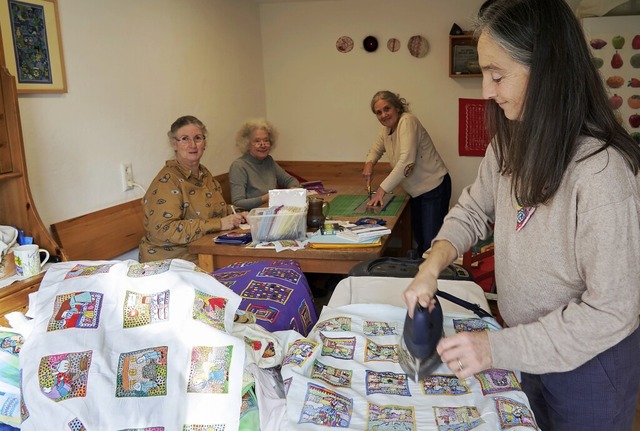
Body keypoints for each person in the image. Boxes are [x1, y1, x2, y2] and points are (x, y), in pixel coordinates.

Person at [402, 1, 640, 429]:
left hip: (589, 365)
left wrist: (495, 349)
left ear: (549, 72)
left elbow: (612, 311)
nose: (486, 92)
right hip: (524, 347)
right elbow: (474, 208)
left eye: (497, 75)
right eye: (483, 75)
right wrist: (432, 264)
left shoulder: (602, 170)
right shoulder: (509, 145)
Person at [139, 115, 246, 263]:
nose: (192, 145)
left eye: (197, 138)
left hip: (204, 251)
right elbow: (164, 230)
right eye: (184, 139)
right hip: (172, 261)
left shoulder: (203, 173)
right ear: (174, 144)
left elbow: (211, 209)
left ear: (204, 143)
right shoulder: (168, 181)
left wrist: (239, 213)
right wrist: (219, 223)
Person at [362, 91, 451, 256]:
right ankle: (421, 274)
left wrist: (382, 190)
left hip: (433, 187)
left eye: (386, 109)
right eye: (378, 112)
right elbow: (376, 149)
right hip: (417, 192)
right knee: (422, 241)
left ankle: (434, 278)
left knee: (430, 245)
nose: (383, 115)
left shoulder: (408, 121)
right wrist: (369, 163)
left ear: (397, 106)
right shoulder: (387, 129)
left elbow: (407, 162)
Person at [229, 118, 300, 211]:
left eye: (266, 140)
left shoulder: (269, 160)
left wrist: (293, 190)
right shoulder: (238, 166)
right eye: (257, 141)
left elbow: (290, 180)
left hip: (272, 211)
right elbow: (238, 202)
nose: (263, 145)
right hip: (251, 217)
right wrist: (265, 198)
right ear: (247, 144)